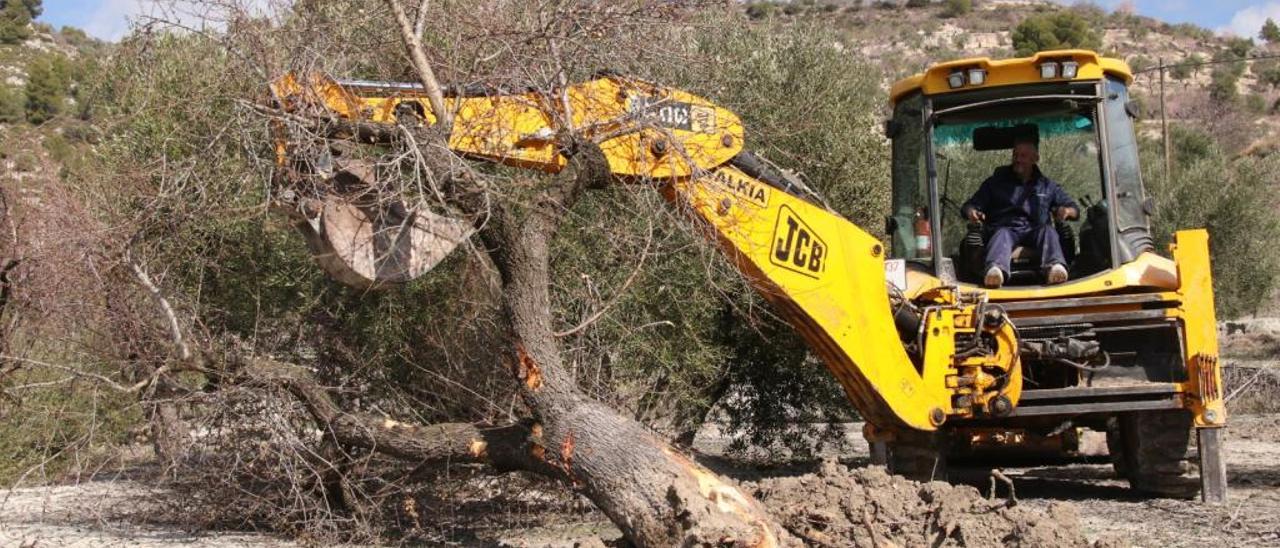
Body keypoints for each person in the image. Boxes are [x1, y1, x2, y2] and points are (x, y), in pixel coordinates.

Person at [961, 138, 1078, 288]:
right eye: (1015, 155)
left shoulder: (1047, 186)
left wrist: (1066, 211)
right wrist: (972, 212)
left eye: (1023, 156)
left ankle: (1055, 268)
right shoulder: (994, 183)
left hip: (1035, 231)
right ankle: (995, 272)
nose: (1018, 159)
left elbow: (1074, 209)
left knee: (1048, 231)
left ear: (1035, 159)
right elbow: (969, 206)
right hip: (1006, 230)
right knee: (1001, 234)